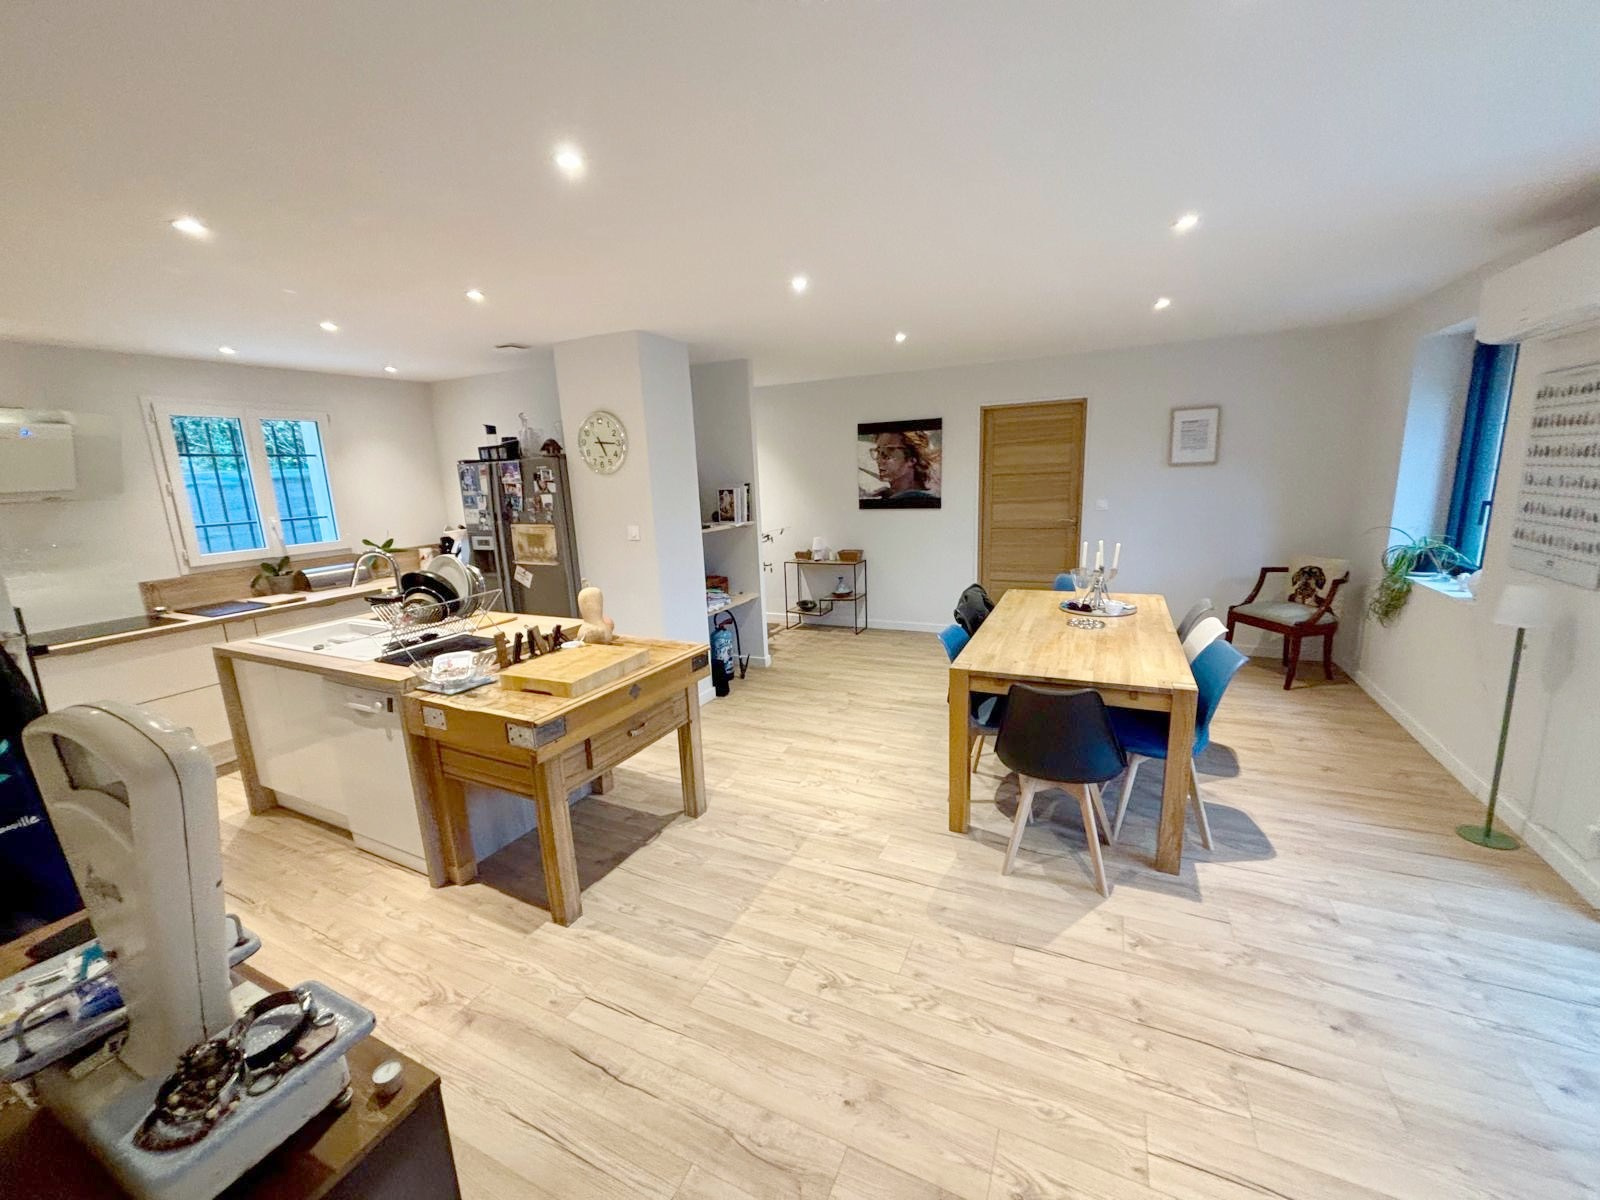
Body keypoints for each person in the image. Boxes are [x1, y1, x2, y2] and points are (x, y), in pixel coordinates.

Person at [864, 430, 939, 505]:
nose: (879, 460)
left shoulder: (922, 501)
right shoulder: (886, 495)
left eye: (888, 451)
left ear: (911, 459)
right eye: (878, 451)